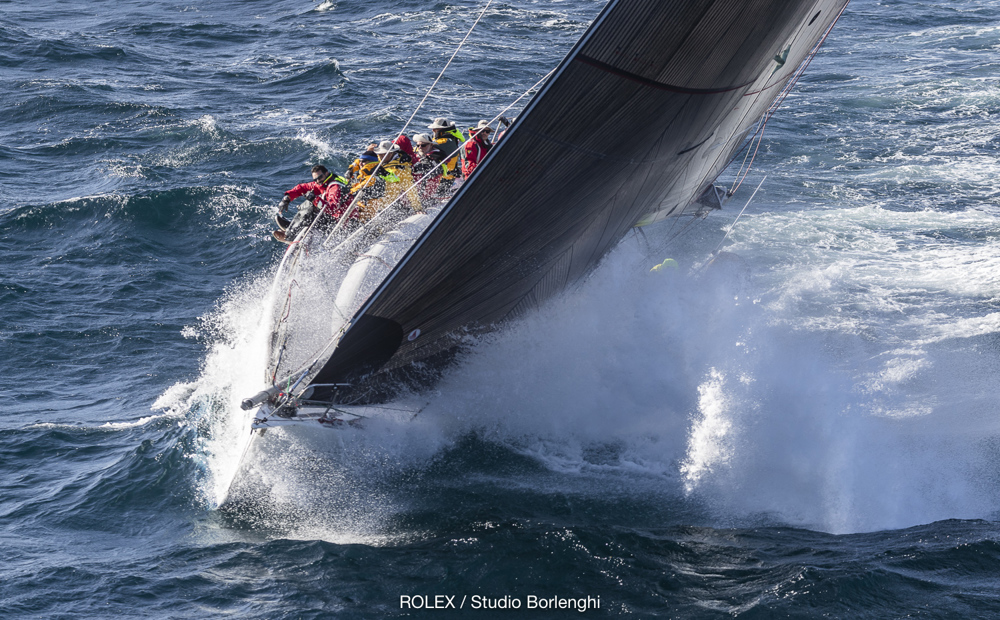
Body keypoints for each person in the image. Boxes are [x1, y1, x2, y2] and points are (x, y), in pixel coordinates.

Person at [273, 165, 351, 243]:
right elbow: (303, 188)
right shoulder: (324, 183)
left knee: (310, 205)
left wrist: (315, 200)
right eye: (315, 179)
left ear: (326, 173)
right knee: (313, 204)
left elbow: (333, 209)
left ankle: (290, 235)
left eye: (319, 177)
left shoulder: (334, 187)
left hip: (341, 224)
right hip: (335, 219)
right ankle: (295, 228)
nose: (317, 181)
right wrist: (287, 198)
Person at [411, 133, 447, 200]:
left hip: (425, 196)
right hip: (413, 192)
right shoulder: (416, 155)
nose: (420, 147)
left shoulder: (436, 157)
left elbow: (432, 171)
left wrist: (421, 160)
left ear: (431, 145)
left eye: (423, 145)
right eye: (418, 145)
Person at [427, 117, 464, 183]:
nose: (433, 130)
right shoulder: (450, 139)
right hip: (445, 176)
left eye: (436, 129)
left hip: (444, 178)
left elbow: (427, 149)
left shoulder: (445, 142)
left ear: (443, 130)